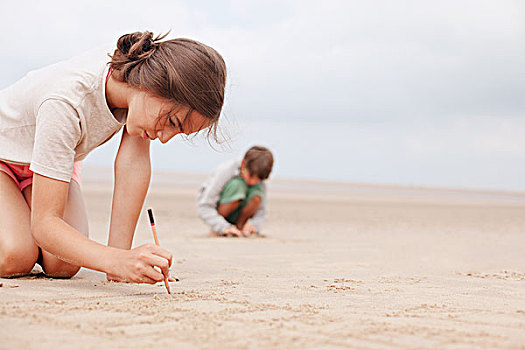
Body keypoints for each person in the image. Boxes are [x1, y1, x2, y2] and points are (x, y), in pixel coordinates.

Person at [0, 31, 226, 284]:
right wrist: (118, 261)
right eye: (173, 122)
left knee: (63, 264)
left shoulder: (141, 79)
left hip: (51, 163)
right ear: (151, 86)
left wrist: (119, 262)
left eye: (179, 132)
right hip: (3, 157)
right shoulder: (65, 102)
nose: (165, 138)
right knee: (15, 256)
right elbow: (44, 225)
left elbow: (133, 165)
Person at [197, 146, 274, 237]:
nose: (253, 182)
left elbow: (261, 212)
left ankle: (240, 229)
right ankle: (220, 230)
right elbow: (204, 205)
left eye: (258, 180)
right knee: (237, 185)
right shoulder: (226, 170)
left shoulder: (261, 183)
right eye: (250, 176)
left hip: (240, 217)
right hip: (219, 216)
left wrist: (253, 225)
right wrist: (222, 226)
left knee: (257, 192)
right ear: (243, 164)